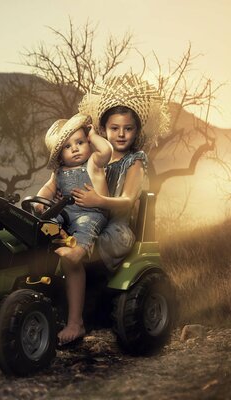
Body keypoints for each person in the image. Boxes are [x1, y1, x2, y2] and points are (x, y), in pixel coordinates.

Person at [74, 74, 170, 272]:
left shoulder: (135, 161)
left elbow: (127, 200)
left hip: (116, 230)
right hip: (93, 222)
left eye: (128, 128)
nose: (121, 134)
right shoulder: (97, 158)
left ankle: (91, 294)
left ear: (137, 131)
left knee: (85, 249)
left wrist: (97, 201)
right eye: (114, 128)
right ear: (103, 129)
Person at [36, 113, 113, 345]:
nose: (76, 149)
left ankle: (79, 248)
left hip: (91, 214)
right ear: (60, 155)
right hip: (66, 215)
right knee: (47, 221)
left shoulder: (94, 163)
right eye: (68, 147)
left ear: (88, 143)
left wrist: (90, 132)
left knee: (81, 232)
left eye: (80, 142)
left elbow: (106, 151)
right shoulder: (58, 173)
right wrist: (40, 202)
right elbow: (47, 190)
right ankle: (55, 240)